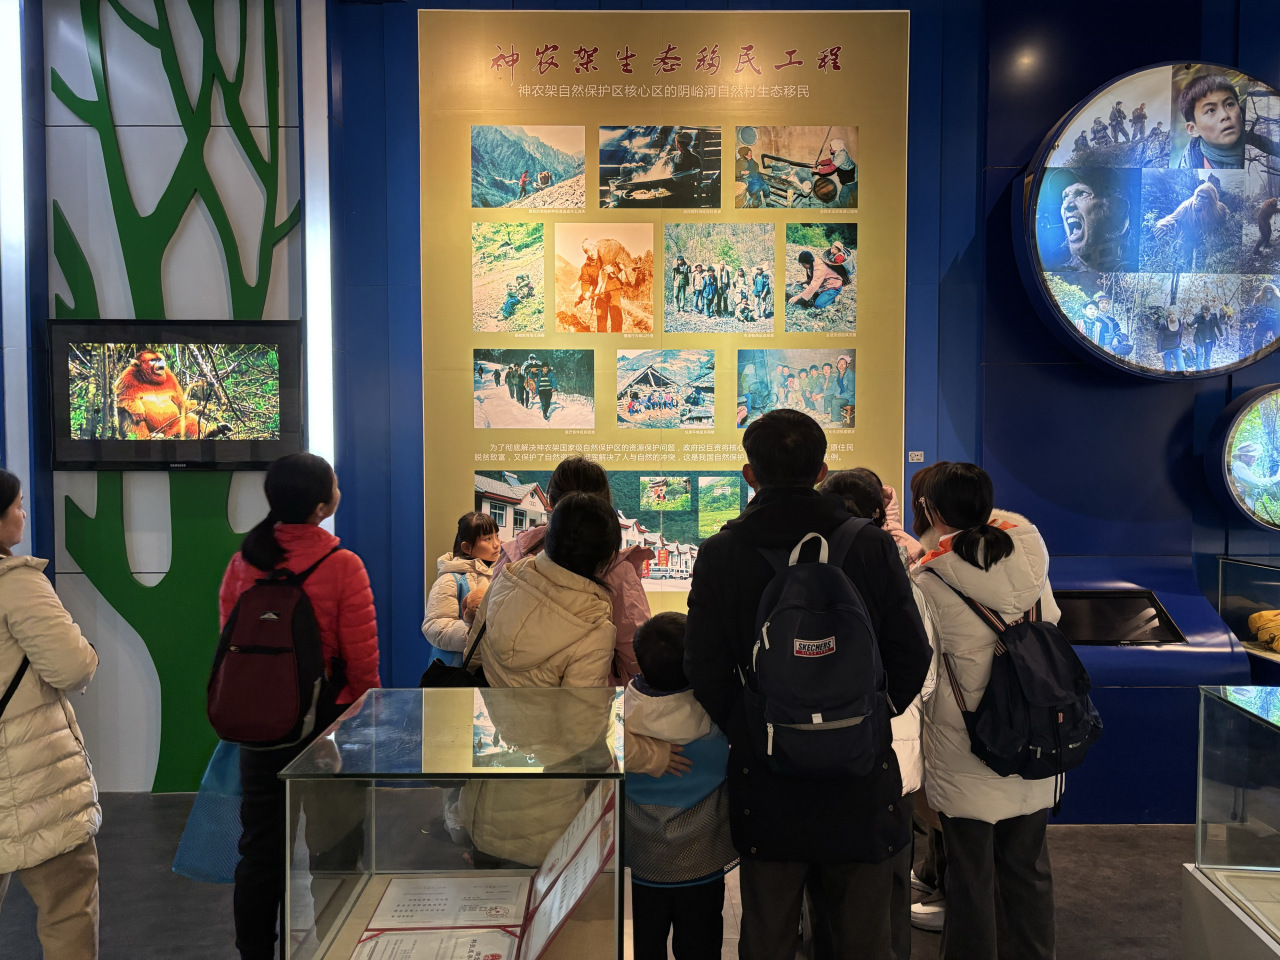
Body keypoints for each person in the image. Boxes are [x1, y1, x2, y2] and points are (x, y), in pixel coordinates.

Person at [684, 410, 932, 960]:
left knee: (769, 933)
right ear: (822, 472)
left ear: (750, 475)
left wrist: (754, 726)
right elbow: (912, 652)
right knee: (862, 938)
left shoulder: (722, 552)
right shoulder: (868, 545)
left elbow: (703, 667)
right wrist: (868, 717)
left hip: (767, 775)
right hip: (860, 776)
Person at [219, 453, 380, 960]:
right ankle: (334, 946)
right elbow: (362, 663)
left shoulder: (245, 562)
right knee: (336, 850)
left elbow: (230, 645)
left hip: (261, 726)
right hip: (330, 727)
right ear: (321, 506)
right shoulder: (342, 565)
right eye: (335, 483)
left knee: (261, 852)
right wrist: (366, 723)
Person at [911, 463, 1059, 960]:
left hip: (967, 747)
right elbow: (1052, 623)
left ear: (931, 510)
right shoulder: (1032, 563)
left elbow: (923, 674)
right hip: (1035, 738)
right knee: (1028, 869)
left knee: (970, 877)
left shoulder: (931, 581)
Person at [461, 492, 623, 866]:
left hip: (487, 783)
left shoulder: (506, 579)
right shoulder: (593, 626)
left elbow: (475, 657)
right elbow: (580, 731)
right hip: (548, 809)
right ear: (604, 557)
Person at [817, 468, 936, 960]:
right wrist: (883, 710)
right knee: (888, 878)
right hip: (888, 747)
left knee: (825, 875)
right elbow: (920, 664)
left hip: (812, 745)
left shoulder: (803, 562)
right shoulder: (899, 562)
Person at [0, 469, 101, 960]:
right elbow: (71, 666)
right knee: (66, 907)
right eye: (18, 504)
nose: (23, 514)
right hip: (31, 776)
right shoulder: (17, 584)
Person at [626, 612, 737, 960]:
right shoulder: (714, 716)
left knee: (647, 943)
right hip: (703, 860)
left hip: (643, 858)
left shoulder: (623, 716)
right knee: (700, 945)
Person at [492, 457, 652, 684]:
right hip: (588, 696)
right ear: (604, 506)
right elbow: (637, 656)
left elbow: (488, 627)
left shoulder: (514, 555)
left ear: (550, 501)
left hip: (504, 693)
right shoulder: (617, 570)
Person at [422, 511, 499, 665]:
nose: (496, 543)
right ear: (467, 547)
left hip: (486, 668)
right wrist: (474, 634)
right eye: (488, 539)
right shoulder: (450, 579)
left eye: (497, 536)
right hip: (455, 668)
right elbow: (434, 627)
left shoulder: (497, 574)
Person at [1178, 73, 1280, 169]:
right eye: (1210, 110)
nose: (1224, 115)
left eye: (1229, 104)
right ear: (1193, 129)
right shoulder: (1189, 163)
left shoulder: (1266, 146)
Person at [1044, 167, 1136, 272]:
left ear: (1117, 209)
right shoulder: (1057, 274)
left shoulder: (1135, 270)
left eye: (1082, 194)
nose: (1066, 205)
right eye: (1065, 197)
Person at [826, 355, 855, 424]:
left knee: (835, 401)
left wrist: (840, 396)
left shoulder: (851, 375)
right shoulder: (838, 374)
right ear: (837, 365)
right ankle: (830, 414)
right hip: (839, 395)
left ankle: (837, 421)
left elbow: (851, 392)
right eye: (839, 364)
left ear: (847, 365)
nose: (841, 366)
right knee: (827, 397)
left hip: (848, 398)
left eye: (843, 364)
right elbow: (833, 388)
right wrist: (822, 394)